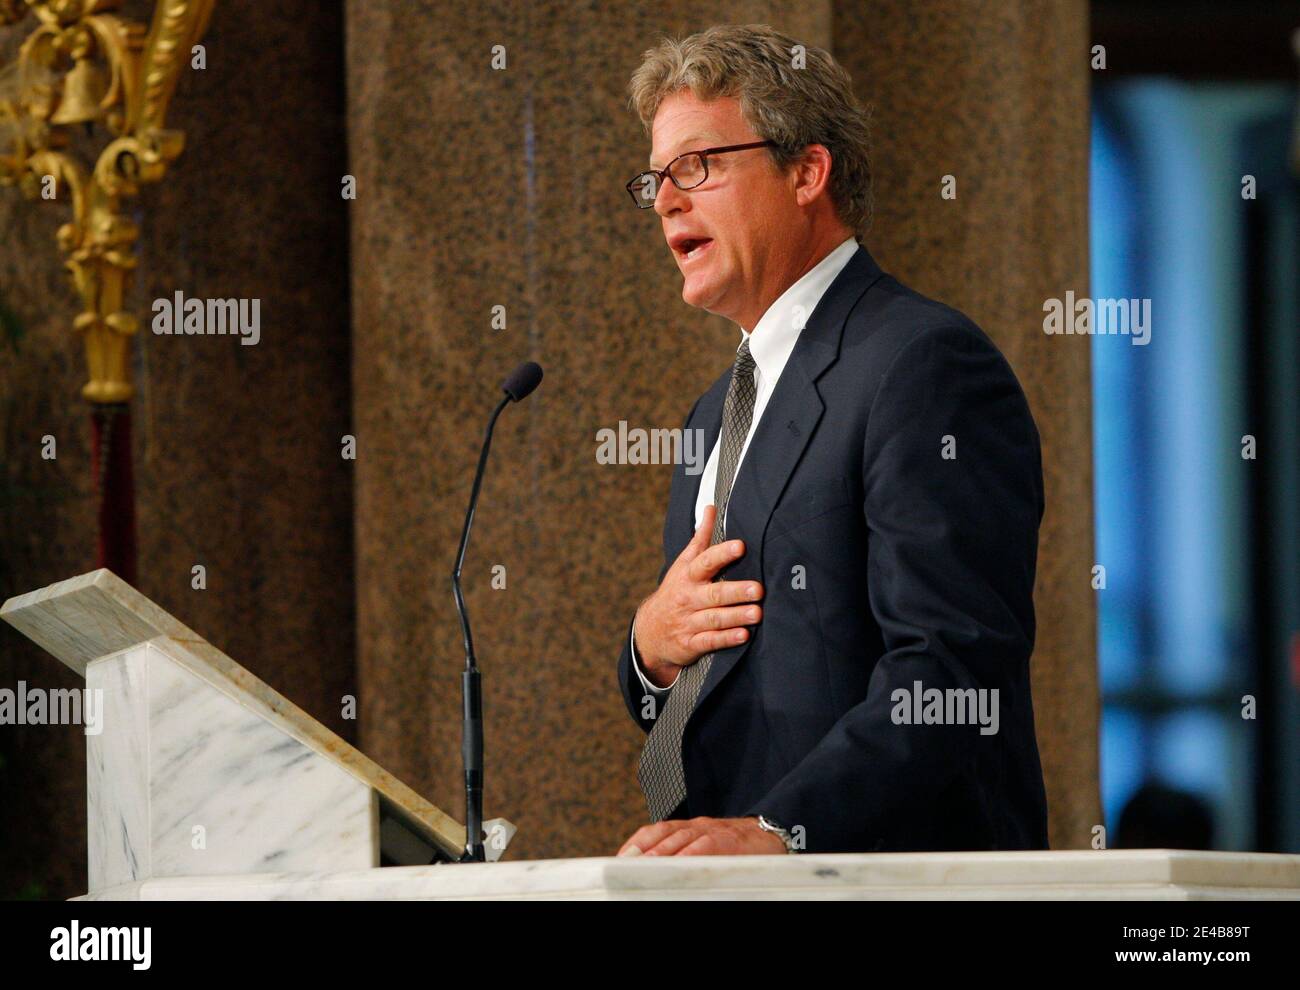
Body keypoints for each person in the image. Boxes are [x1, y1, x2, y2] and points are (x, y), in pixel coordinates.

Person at [616, 24, 1049, 856]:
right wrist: (652, 649)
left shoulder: (923, 363)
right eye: (656, 178)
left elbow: (953, 671)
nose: (667, 199)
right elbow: (710, 699)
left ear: (806, 171)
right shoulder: (713, 414)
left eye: (697, 166)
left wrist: (780, 829)